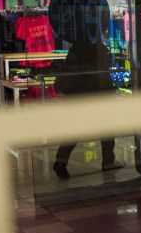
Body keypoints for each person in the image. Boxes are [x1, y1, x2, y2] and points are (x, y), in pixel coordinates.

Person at [52, 38, 125, 179]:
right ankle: (108, 161)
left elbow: (68, 71)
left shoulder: (76, 48)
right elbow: (104, 75)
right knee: (107, 130)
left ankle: (61, 161)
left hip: (77, 96)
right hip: (97, 95)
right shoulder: (100, 49)